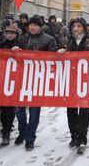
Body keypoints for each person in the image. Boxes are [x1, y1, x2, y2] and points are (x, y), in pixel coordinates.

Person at [12, 15, 58, 151]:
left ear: (40, 27)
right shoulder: (22, 38)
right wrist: (14, 51)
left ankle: (30, 137)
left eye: (35, 25)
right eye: (31, 25)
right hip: (22, 78)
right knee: (19, 109)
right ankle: (22, 131)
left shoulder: (49, 40)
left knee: (34, 110)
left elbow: (53, 58)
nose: (32, 27)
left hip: (38, 80)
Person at [57, 17, 89, 154]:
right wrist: (59, 54)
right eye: (74, 26)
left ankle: (82, 138)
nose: (76, 29)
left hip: (86, 80)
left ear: (84, 27)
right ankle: (74, 136)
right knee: (71, 110)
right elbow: (55, 59)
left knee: (85, 111)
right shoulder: (65, 41)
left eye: (79, 26)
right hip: (70, 80)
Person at [0, 23, 22, 146]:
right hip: (2, 78)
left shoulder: (20, 44)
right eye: (8, 33)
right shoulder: (2, 44)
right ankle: (4, 127)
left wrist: (20, 52)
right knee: (2, 107)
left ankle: (7, 132)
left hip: (14, 79)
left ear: (16, 34)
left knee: (10, 107)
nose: (9, 35)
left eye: (12, 33)